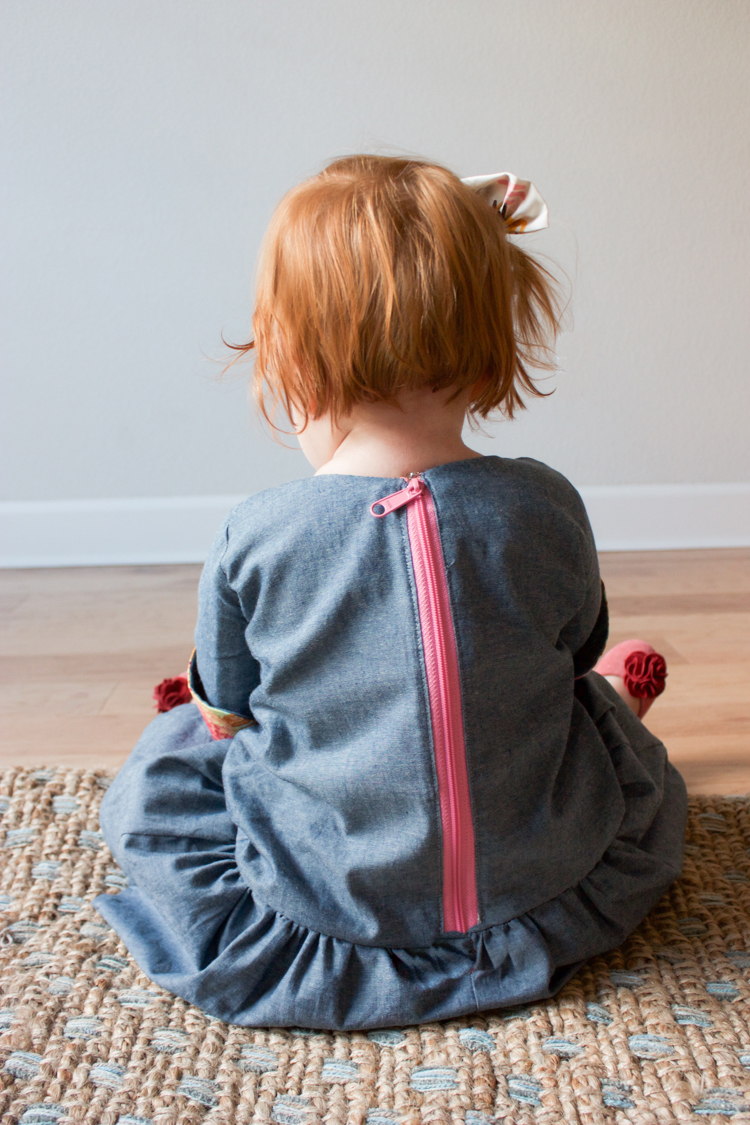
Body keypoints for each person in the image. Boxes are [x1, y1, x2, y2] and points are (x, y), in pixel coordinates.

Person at [95, 156, 687, 1031]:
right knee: (576, 704)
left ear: (290, 358)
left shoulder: (257, 534)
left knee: (172, 759)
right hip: (545, 890)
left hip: (328, 912)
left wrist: (218, 711)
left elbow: (230, 708)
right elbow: (573, 644)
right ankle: (625, 715)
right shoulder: (545, 503)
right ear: (495, 345)